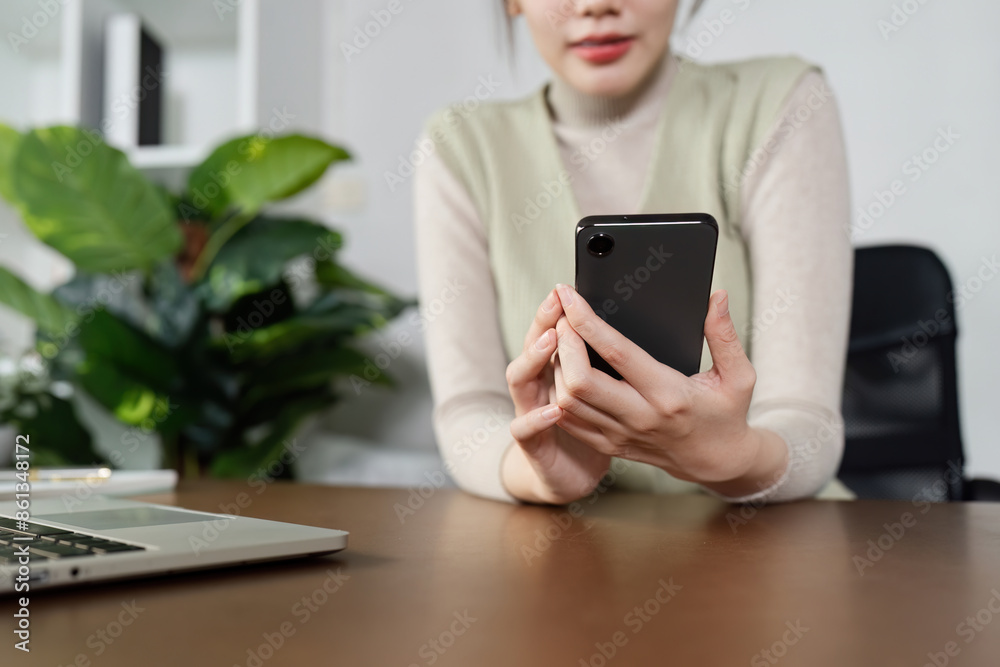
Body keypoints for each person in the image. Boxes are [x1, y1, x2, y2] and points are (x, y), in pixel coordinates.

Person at [413, 0, 854, 505]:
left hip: (769, 542)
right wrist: (544, 474)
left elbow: (810, 423)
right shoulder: (462, 145)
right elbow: (469, 413)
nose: (596, 5)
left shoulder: (779, 102)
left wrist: (737, 458)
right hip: (569, 549)